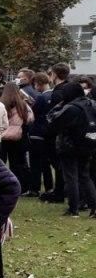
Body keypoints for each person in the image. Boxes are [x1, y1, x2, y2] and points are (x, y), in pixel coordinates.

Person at [47, 80, 96, 217]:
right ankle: (94, 207)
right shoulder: (92, 104)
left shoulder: (71, 107)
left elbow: (52, 120)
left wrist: (59, 106)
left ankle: (73, 208)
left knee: (71, 176)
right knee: (85, 176)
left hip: (69, 145)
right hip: (88, 143)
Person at [0, 81, 33, 190]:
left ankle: (1, 184)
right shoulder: (23, 104)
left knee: (1, 162)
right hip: (19, 137)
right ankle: (21, 185)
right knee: (18, 163)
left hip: (2, 136)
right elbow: (30, 119)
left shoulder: (1, 103)